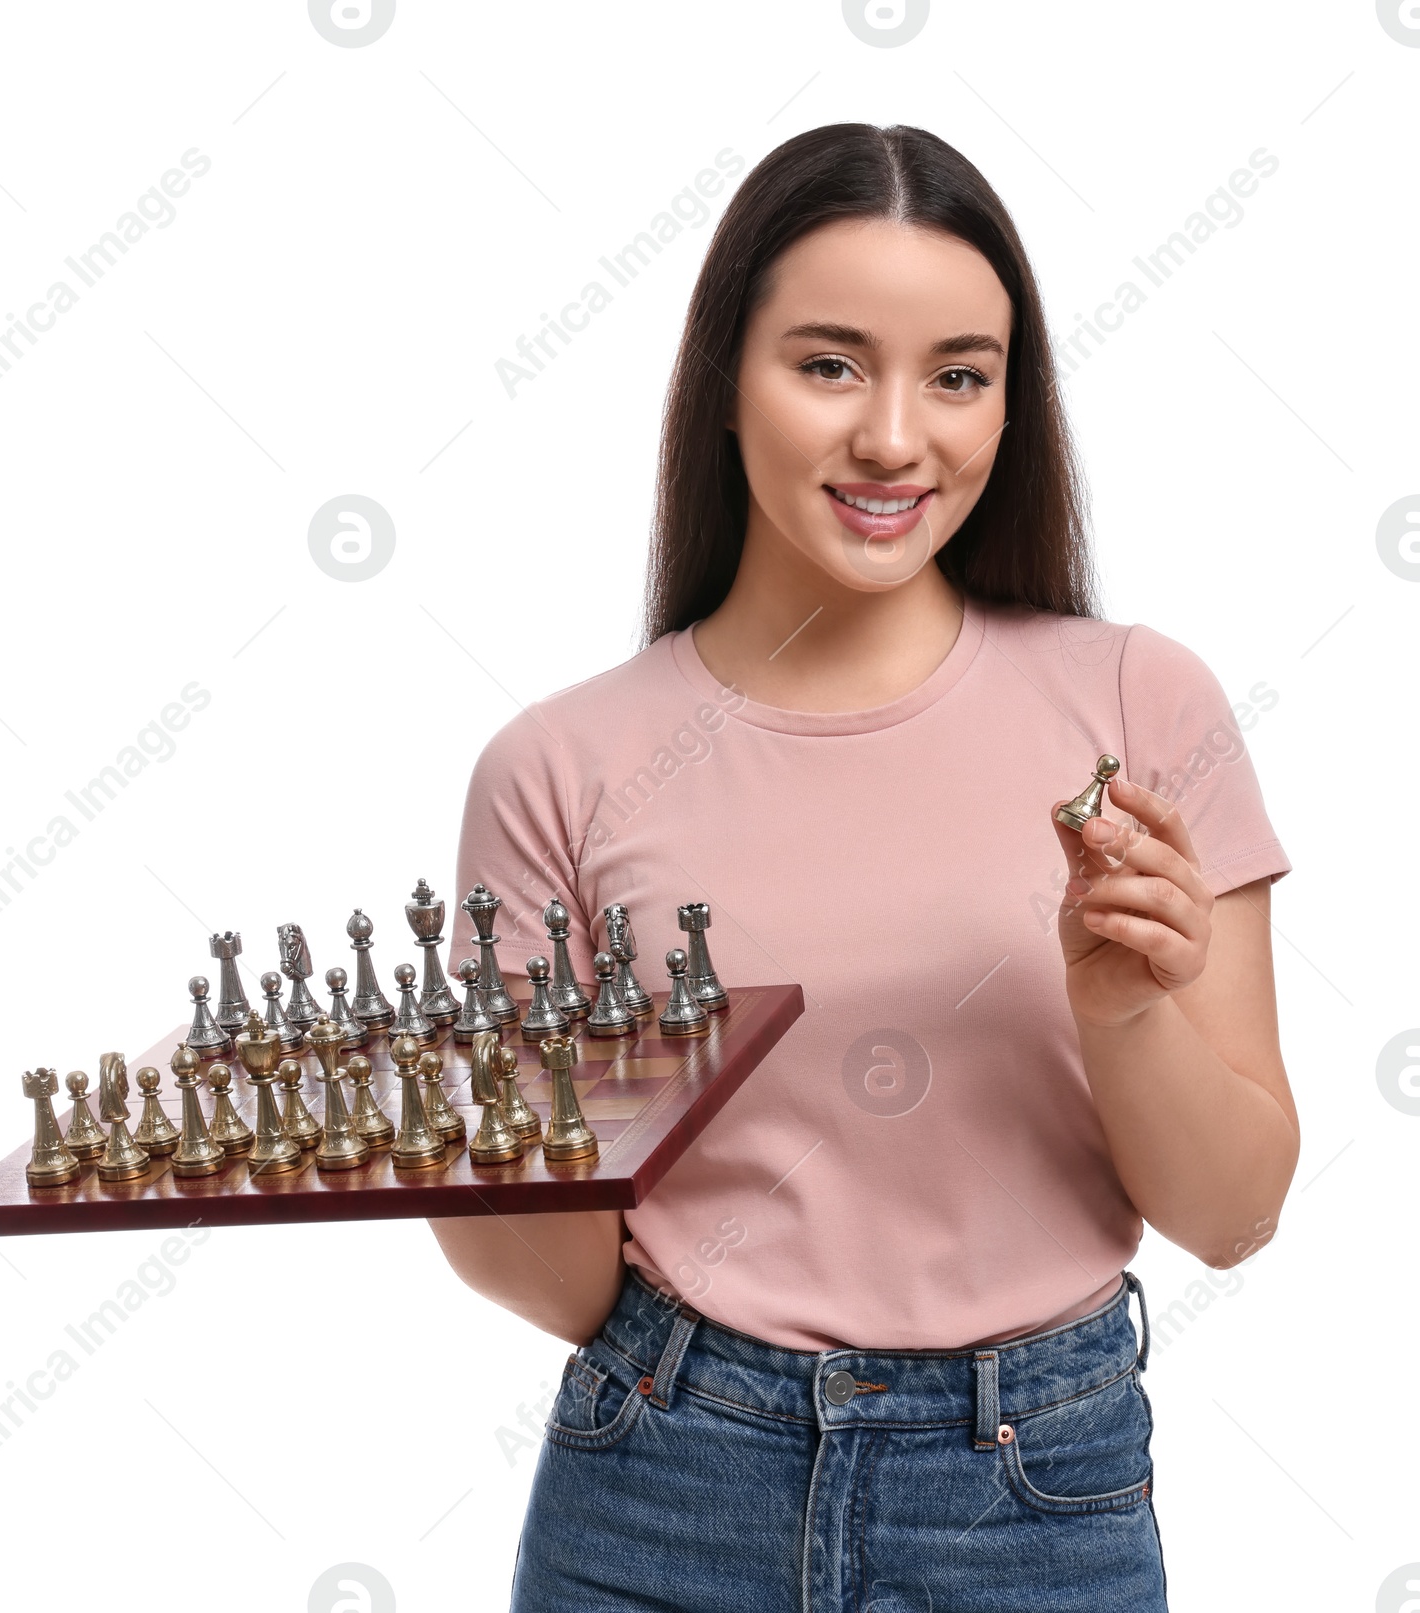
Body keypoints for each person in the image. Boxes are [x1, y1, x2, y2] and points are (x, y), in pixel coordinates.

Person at [428, 122, 1297, 1612]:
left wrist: (1125, 1006)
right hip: (664, 1479)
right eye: (829, 364)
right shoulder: (555, 769)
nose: (897, 438)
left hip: (1038, 1494)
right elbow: (565, 1287)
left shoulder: (1142, 707)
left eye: (959, 375)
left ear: (1010, 405)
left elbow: (1232, 1213)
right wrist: (490, 1142)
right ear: (723, 385)